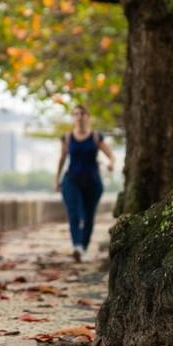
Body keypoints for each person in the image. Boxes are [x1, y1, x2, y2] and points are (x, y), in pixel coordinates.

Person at [55, 104, 116, 261]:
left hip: (92, 182)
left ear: (88, 117)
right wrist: (57, 179)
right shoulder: (67, 138)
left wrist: (111, 164)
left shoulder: (96, 137)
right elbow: (62, 159)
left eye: (82, 113)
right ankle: (77, 246)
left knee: (88, 215)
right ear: (73, 117)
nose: (79, 116)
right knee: (74, 213)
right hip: (71, 180)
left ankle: (83, 246)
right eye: (76, 114)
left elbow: (111, 155)